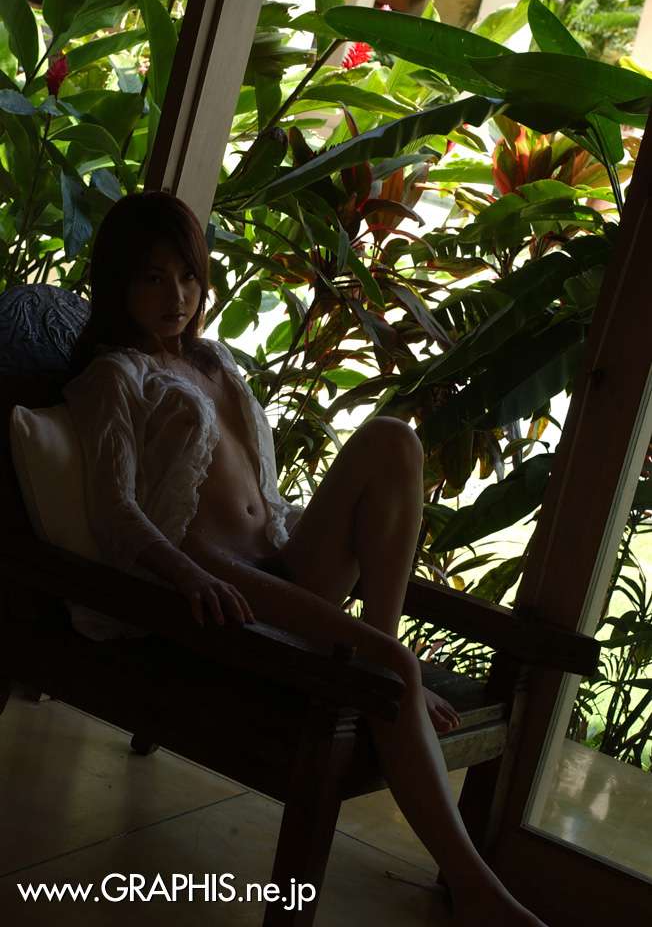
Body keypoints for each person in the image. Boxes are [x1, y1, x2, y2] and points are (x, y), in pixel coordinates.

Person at [64, 190, 547, 926]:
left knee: (394, 439)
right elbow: (115, 511)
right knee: (397, 672)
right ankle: (477, 889)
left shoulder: (214, 361)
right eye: (153, 278)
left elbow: (262, 491)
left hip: (284, 557)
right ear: (119, 283)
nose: (177, 297)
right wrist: (186, 573)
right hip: (225, 583)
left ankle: (379, 651)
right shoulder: (115, 377)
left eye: (188, 276)